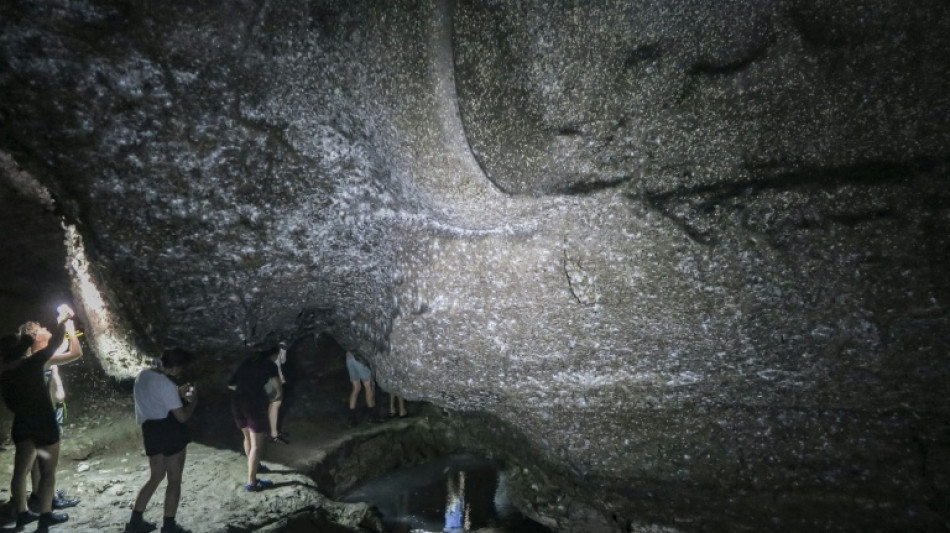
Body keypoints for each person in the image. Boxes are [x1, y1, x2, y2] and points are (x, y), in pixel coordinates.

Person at [0, 304, 83, 530]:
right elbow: (59, 343)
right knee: (48, 471)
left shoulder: (6, 372)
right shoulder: (34, 363)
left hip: (22, 423)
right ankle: (46, 514)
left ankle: (23, 513)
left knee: (21, 470)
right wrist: (65, 320)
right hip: (43, 423)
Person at [124, 349, 197, 533]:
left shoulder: (142, 375)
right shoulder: (166, 385)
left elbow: (156, 398)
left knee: (155, 476)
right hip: (171, 431)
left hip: (150, 430)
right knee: (174, 479)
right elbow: (181, 417)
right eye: (180, 369)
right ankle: (169, 526)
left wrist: (176, 393)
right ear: (176, 367)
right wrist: (193, 402)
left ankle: (135, 522)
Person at [28, 363, 81, 512]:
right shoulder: (44, 370)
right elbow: (59, 396)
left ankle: (37, 495)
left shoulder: (27, 367)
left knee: (37, 461)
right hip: (47, 420)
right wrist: (56, 374)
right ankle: (50, 500)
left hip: (33, 418)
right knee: (48, 466)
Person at [228, 347, 281, 492]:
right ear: (274, 354)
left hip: (237, 402)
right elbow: (278, 387)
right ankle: (252, 482)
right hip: (253, 405)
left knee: (247, 438)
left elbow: (231, 384)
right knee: (257, 445)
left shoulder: (248, 361)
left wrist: (245, 390)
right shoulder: (270, 365)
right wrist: (276, 397)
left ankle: (256, 466)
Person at [265, 341, 290, 444]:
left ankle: (272, 431)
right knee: (275, 404)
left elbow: (281, 361)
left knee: (273, 404)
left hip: (273, 378)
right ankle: (274, 435)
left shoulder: (278, 347)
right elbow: (276, 361)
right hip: (271, 379)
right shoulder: (273, 350)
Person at [346, 350, 375, 423]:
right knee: (368, 386)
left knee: (356, 388)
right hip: (359, 357)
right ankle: (371, 417)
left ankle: (351, 418)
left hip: (349, 356)